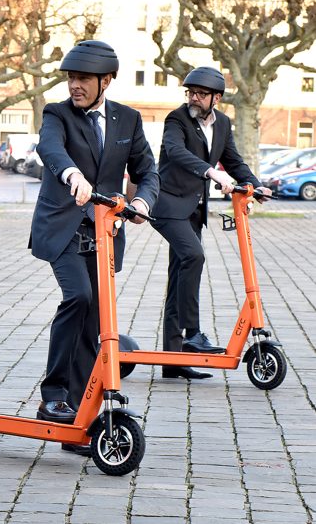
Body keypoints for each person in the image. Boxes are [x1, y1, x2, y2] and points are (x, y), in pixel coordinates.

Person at [30, 41, 159, 455]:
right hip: (63, 228)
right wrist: (71, 173)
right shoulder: (57, 113)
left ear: (106, 80)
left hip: (104, 232)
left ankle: (81, 411)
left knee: (99, 315)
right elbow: (49, 147)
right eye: (70, 78)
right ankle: (54, 394)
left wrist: (141, 202)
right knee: (79, 297)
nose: (75, 85)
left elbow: (147, 171)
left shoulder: (129, 120)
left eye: (83, 79)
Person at [151, 66, 272, 379]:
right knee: (194, 256)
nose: (194, 97)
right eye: (190, 92)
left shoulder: (224, 124)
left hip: (192, 210)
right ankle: (192, 334)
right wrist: (211, 172)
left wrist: (254, 185)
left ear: (216, 98)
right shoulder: (177, 119)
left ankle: (173, 362)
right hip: (166, 204)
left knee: (180, 273)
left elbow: (232, 159)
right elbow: (176, 152)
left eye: (201, 94)